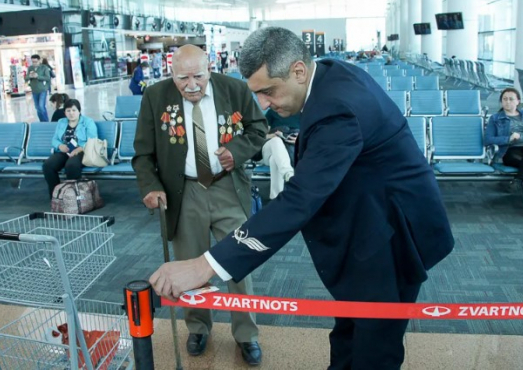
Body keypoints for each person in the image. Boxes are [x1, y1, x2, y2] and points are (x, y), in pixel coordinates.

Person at [148, 27, 454, 370]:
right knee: (348, 332)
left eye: (267, 92)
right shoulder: (327, 77)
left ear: (298, 71)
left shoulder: (338, 107)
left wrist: (203, 265)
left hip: (391, 237)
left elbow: (300, 199)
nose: (262, 105)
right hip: (366, 220)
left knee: (374, 346)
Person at [132, 44, 267, 365]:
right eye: (183, 78)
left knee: (239, 262)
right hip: (183, 192)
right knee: (188, 265)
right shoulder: (155, 97)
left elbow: (258, 129)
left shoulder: (234, 89)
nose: (192, 85)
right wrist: (150, 186)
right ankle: (198, 326)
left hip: (227, 189)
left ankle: (246, 334)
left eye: (198, 77)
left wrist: (237, 150)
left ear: (210, 69)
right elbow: (142, 153)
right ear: (171, 73)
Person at [484, 88, 523, 220]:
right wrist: (509, 139)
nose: (508, 102)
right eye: (504, 99)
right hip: (512, 152)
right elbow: (488, 139)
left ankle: (518, 179)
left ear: (518, 101)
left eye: (511, 99)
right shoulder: (496, 119)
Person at [42, 99, 97, 197]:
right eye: (68, 111)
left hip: (82, 151)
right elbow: (54, 139)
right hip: (65, 151)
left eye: (74, 110)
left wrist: (79, 149)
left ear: (79, 111)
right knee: (48, 165)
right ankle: (56, 195)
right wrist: (60, 145)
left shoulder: (88, 122)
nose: (71, 113)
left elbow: (92, 141)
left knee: (71, 165)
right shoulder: (61, 122)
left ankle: (74, 196)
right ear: (64, 112)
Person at [27, 54, 51, 122]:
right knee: (37, 108)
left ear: (39, 60)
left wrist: (38, 76)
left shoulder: (44, 68)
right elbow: (26, 78)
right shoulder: (30, 68)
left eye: (35, 62)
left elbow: (47, 78)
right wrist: (30, 76)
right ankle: (42, 121)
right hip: (34, 90)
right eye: (33, 62)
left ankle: (46, 121)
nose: (34, 63)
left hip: (42, 89)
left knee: (41, 106)